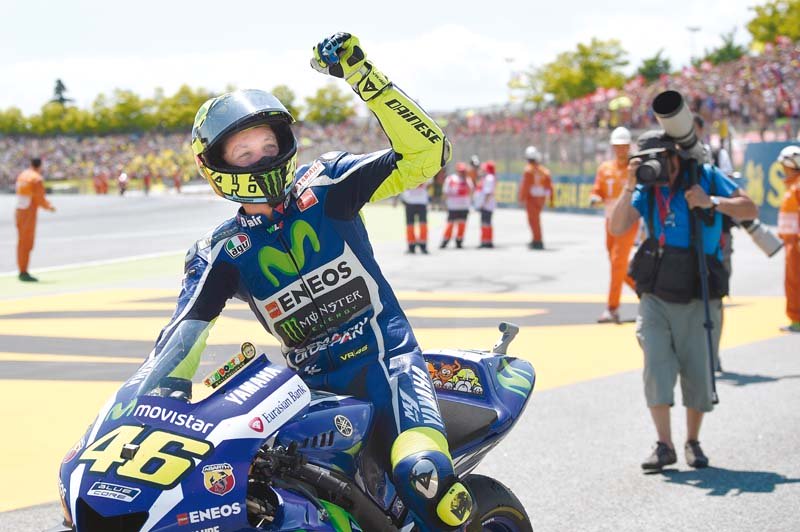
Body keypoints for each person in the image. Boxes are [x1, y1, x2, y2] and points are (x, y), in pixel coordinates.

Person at [140, 32, 473, 530]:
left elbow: (427, 155)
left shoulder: (329, 185)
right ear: (216, 164)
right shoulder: (221, 251)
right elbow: (184, 333)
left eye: (268, 146)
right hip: (309, 394)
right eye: (244, 152)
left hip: (391, 364)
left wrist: (365, 77)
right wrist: (152, 406)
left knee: (423, 475)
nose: (261, 159)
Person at [610, 130, 757, 471]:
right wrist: (630, 184)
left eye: (659, 158)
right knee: (656, 365)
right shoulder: (646, 187)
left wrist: (712, 202)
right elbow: (618, 227)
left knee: (697, 371)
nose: (655, 166)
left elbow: (749, 207)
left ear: (675, 155)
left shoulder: (705, 176)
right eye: (646, 160)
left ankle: (693, 441)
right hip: (655, 293)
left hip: (698, 289)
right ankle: (664, 444)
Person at [590, 127, 638, 323]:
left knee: (618, 261)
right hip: (610, 220)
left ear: (629, 146)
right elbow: (598, 189)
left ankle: (612, 308)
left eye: (624, 146)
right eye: (617, 146)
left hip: (627, 220)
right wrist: (594, 196)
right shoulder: (605, 168)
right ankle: (643, 290)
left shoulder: (635, 168)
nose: (620, 149)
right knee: (616, 263)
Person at [15, 157, 55, 282]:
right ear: (40, 166)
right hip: (28, 213)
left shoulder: (22, 175)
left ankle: (22, 269)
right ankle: (23, 271)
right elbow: (39, 198)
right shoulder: (36, 179)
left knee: (21, 242)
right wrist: (49, 207)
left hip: (18, 212)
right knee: (27, 243)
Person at [776, 145, 800, 333]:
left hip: (796, 243)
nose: (783, 169)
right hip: (790, 242)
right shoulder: (792, 185)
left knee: (794, 281)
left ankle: (797, 320)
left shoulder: (798, 185)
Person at [519, 145, 553, 249]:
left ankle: (537, 240)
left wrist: (521, 198)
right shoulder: (544, 170)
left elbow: (525, 186)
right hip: (540, 199)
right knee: (536, 220)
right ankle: (536, 239)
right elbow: (549, 187)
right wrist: (551, 199)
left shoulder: (528, 171)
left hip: (532, 198)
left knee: (533, 220)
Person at [441, 162, 473, 249]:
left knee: (462, 224)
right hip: (453, 206)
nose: (462, 173)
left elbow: (471, 192)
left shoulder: (467, 180)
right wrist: (444, 204)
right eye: (460, 171)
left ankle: (459, 240)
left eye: (463, 171)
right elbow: (445, 192)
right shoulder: (451, 179)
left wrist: (469, 204)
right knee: (450, 224)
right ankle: (445, 240)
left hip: (463, 206)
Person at [401, 180, 430, 254]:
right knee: (410, 225)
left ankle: (423, 245)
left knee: (423, 224)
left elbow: (430, 184)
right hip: (410, 201)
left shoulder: (425, 171)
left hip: (421, 202)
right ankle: (411, 245)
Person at [475, 160, 497, 248]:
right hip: (487, 204)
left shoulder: (489, 178)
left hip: (486, 205)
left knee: (485, 223)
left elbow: (488, 192)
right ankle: (487, 240)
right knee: (486, 223)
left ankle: (485, 241)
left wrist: (483, 204)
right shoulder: (488, 177)